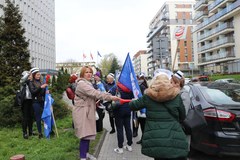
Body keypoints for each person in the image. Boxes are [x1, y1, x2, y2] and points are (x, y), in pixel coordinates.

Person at [127, 69, 188, 160]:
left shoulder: (148, 96)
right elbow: (183, 116)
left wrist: (132, 101)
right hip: (174, 137)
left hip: (155, 139)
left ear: (154, 82)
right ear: (168, 82)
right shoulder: (176, 96)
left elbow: (133, 106)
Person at [72, 66, 120, 160]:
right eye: (86, 72)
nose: (89, 74)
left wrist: (107, 95)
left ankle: (86, 154)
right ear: (82, 74)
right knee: (84, 135)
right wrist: (110, 97)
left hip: (88, 111)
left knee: (88, 134)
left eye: (90, 72)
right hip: (82, 112)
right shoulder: (82, 84)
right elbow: (95, 93)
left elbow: (96, 93)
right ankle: (83, 157)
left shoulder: (88, 83)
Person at [171, 70, 191, 152]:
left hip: (182, 128)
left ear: (177, 84)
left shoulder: (184, 94)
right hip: (176, 129)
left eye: (171, 82)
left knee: (182, 151)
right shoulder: (175, 94)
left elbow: (183, 114)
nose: (170, 84)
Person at [113, 83, 134, 154]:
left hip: (119, 111)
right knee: (128, 128)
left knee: (119, 130)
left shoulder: (116, 88)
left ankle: (120, 148)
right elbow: (133, 96)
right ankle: (129, 145)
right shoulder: (130, 88)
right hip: (128, 109)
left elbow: (112, 98)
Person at [29, 68, 48, 139]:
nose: (38, 76)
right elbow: (33, 92)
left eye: (39, 74)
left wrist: (46, 92)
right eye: (37, 74)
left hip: (41, 101)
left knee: (46, 115)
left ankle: (48, 130)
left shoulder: (41, 82)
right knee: (38, 118)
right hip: (35, 102)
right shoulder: (31, 82)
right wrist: (41, 87)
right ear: (34, 75)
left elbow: (42, 92)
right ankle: (40, 133)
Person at [20, 70, 33, 139]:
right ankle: (25, 133)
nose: (31, 76)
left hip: (31, 100)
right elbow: (22, 80)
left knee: (31, 116)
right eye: (29, 75)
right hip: (25, 101)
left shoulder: (31, 82)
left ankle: (30, 131)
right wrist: (28, 73)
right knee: (25, 117)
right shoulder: (23, 83)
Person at [136, 73, 148, 144]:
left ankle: (144, 139)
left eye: (140, 79)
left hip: (143, 109)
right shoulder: (141, 86)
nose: (138, 80)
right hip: (140, 109)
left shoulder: (143, 87)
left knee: (143, 126)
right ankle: (143, 138)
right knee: (141, 125)